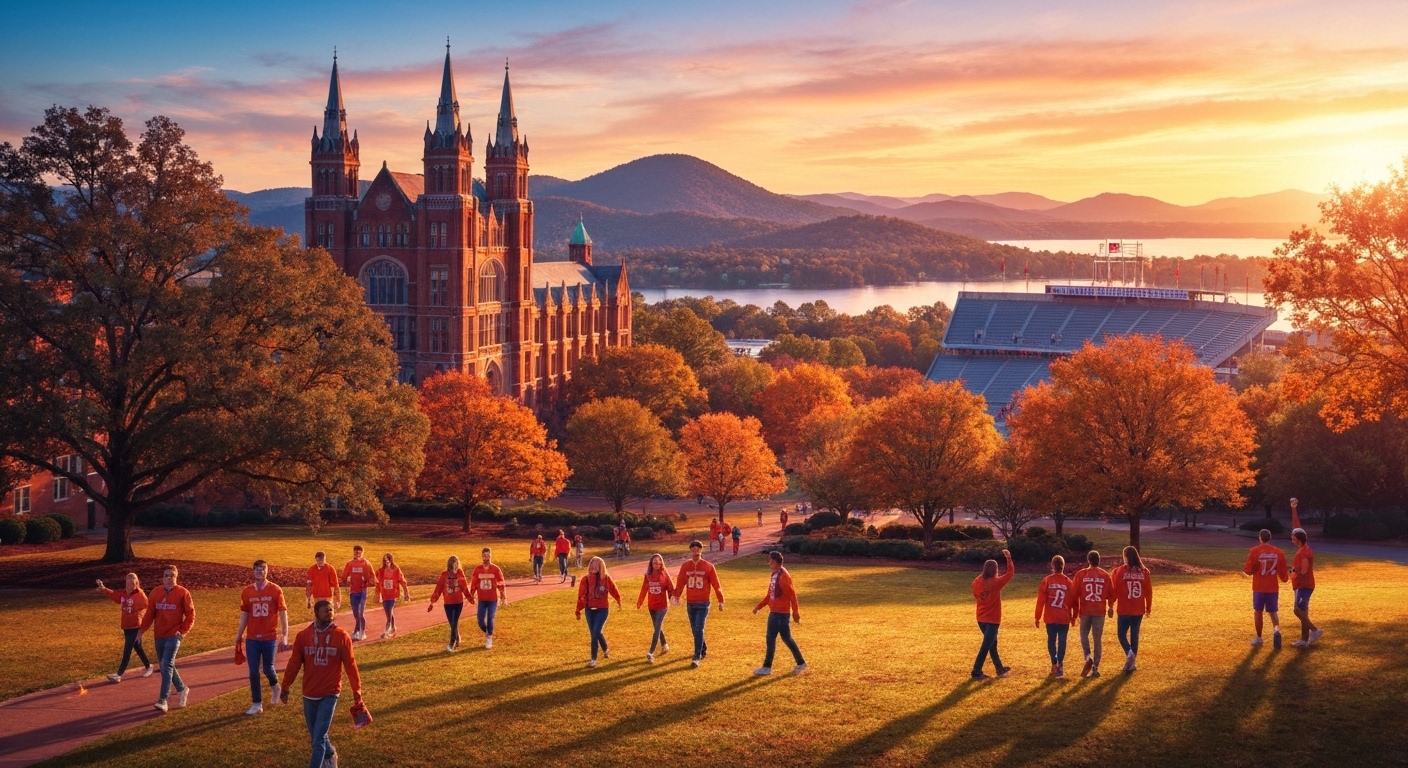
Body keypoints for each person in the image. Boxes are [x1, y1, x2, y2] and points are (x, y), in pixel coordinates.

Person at [279, 599, 362, 768]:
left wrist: (357, 692)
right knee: (317, 735)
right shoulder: (303, 636)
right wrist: (285, 686)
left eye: (331, 610)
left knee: (317, 740)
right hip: (309, 693)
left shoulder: (341, 636)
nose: (329, 613)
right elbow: (294, 663)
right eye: (325, 610)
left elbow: (351, 665)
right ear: (316, 613)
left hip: (330, 694)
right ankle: (331, 756)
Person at [236, 559, 289, 715]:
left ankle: (275, 686)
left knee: (268, 668)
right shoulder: (247, 592)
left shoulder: (275, 590)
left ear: (267, 571)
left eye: (263, 569)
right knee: (253, 671)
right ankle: (257, 703)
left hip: (269, 636)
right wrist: (239, 635)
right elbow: (244, 615)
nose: (260, 571)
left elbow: (282, 612)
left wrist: (285, 634)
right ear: (253, 571)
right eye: (257, 569)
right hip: (252, 638)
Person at [141, 565, 195, 713]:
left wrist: (183, 631)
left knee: (166, 665)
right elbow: (149, 615)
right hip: (159, 635)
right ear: (162, 577)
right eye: (166, 575)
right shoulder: (155, 593)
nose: (168, 578)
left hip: (174, 635)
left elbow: (190, 615)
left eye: (172, 575)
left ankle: (163, 700)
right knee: (166, 666)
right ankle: (182, 688)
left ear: (176, 577)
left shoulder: (183, 593)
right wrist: (140, 632)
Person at [753, 551, 807, 676]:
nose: (769, 562)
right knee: (786, 638)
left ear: (776, 562)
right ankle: (801, 662)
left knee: (770, 638)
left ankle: (767, 667)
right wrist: (758, 607)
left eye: (770, 560)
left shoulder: (783, 577)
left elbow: (792, 596)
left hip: (779, 614)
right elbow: (770, 595)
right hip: (777, 612)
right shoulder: (775, 574)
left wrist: (796, 613)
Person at [673, 540, 725, 668]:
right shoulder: (685, 566)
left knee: (698, 628)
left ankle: (696, 656)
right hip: (690, 602)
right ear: (690, 551)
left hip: (703, 603)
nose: (695, 551)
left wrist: (720, 600)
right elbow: (680, 583)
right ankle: (703, 648)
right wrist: (676, 596)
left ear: (701, 550)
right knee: (695, 629)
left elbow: (716, 584)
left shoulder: (708, 566)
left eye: (698, 549)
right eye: (693, 549)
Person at [96, 573, 153, 682]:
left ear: (135, 584)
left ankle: (119, 674)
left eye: (131, 583)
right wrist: (104, 589)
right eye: (127, 583)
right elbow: (115, 595)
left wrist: (141, 621)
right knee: (138, 647)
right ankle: (148, 666)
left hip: (135, 626)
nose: (128, 586)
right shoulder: (123, 593)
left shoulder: (140, 595)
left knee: (127, 650)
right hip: (126, 626)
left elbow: (148, 608)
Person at [971, 549, 1014, 680]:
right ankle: (976, 671)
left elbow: (976, 596)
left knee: (992, 644)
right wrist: (1008, 558)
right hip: (992, 620)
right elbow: (1010, 573)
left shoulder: (976, 582)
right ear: (994, 570)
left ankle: (999, 668)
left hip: (980, 618)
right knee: (986, 645)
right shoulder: (996, 583)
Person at [1244, 528, 1289, 648]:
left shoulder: (1254, 551)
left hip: (1259, 586)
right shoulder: (1278, 552)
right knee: (1273, 612)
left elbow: (1248, 570)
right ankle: (1276, 632)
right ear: (1270, 538)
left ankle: (1259, 638)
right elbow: (1283, 575)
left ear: (1260, 538)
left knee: (1258, 612)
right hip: (1272, 587)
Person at [1111, 546, 1152, 674]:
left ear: (1126, 557)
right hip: (1138, 609)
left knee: (1121, 634)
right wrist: (1148, 607)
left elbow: (1114, 590)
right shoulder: (1144, 572)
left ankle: (1129, 653)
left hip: (1124, 608)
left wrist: (1110, 604)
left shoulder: (1119, 571)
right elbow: (1148, 592)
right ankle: (1132, 663)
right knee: (1135, 635)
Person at [1073, 550, 1114, 678]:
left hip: (1085, 610)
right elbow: (1111, 594)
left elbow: (1074, 594)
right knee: (1097, 639)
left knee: (1083, 634)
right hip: (1099, 610)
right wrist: (1111, 607)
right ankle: (1095, 668)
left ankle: (1087, 656)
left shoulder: (1081, 574)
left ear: (1088, 561)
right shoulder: (1105, 575)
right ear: (1099, 560)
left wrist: (1075, 611)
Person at [575, 556, 621, 667]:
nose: (592, 568)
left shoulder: (606, 579)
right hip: (589, 610)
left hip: (602, 609)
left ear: (600, 568)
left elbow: (614, 589)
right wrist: (578, 609)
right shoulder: (585, 579)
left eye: (595, 567)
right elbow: (581, 595)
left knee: (594, 633)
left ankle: (593, 659)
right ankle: (605, 649)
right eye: (591, 566)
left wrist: (618, 600)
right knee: (595, 632)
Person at [1034, 555, 1075, 678]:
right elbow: (1073, 601)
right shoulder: (1068, 581)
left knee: (1051, 640)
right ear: (1063, 566)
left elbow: (1040, 601)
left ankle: (1054, 662)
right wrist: (1073, 616)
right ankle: (1060, 664)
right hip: (1063, 617)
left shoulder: (1047, 580)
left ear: (1052, 565)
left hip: (1050, 617)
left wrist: (1037, 617)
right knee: (1062, 640)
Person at [636, 553, 675, 662]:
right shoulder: (648, 575)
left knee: (657, 628)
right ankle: (664, 644)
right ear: (651, 564)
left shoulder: (665, 574)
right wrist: (640, 601)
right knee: (657, 627)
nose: (657, 565)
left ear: (661, 563)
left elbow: (671, 588)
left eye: (659, 562)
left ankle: (651, 652)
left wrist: (673, 598)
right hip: (652, 605)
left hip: (662, 606)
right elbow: (644, 589)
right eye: (654, 563)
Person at [428, 555, 470, 652]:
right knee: (452, 623)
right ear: (449, 564)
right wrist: (432, 602)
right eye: (452, 563)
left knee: (454, 622)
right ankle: (457, 636)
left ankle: (451, 643)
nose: (454, 565)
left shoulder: (460, 573)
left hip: (459, 602)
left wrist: (470, 598)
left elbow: (464, 586)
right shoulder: (444, 575)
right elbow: (438, 589)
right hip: (448, 603)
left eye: (456, 563)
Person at [1289, 527, 1323, 647]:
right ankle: (1304, 640)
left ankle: (1315, 630)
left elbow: (1303, 570)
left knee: (1297, 610)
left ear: (1298, 539)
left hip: (1303, 585)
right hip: (1303, 584)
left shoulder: (1304, 552)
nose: (1292, 540)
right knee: (1303, 611)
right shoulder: (1304, 550)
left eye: (1293, 538)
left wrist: (1293, 571)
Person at [470, 548, 507, 649]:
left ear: (491, 556)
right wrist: (471, 595)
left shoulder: (496, 569)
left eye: (488, 555)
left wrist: (503, 597)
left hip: (492, 599)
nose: (486, 558)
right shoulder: (478, 569)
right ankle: (488, 631)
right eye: (484, 555)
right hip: (482, 599)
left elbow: (501, 583)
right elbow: (474, 583)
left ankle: (489, 637)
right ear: (482, 556)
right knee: (480, 620)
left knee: (490, 616)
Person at [341, 546, 372, 641]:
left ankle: (361, 632)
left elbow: (372, 576)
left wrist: (368, 581)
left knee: (360, 613)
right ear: (353, 553)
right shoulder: (350, 564)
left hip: (362, 591)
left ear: (362, 553)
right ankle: (357, 630)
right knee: (355, 613)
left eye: (359, 552)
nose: (357, 554)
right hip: (353, 592)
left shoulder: (366, 564)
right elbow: (344, 576)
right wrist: (345, 580)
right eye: (356, 552)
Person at [376, 553, 409, 639]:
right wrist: (378, 594)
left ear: (391, 561)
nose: (386, 562)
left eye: (387, 560)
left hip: (392, 595)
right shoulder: (380, 571)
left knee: (389, 612)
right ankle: (393, 628)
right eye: (384, 561)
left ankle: (387, 631)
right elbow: (377, 583)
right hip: (384, 595)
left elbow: (403, 581)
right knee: (388, 612)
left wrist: (406, 593)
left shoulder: (396, 570)